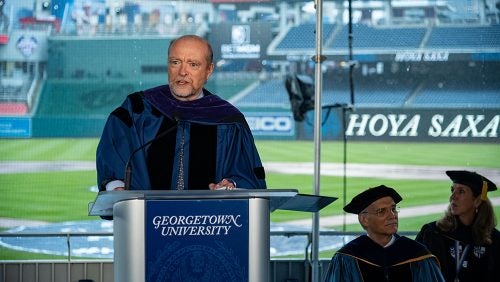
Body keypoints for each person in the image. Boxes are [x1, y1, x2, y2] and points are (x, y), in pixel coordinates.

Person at [96, 34, 266, 191]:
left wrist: (231, 184)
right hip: (147, 218)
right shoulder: (138, 108)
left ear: (209, 70)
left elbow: (246, 174)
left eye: (193, 64)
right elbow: (113, 156)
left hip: (207, 220)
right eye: (175, 62)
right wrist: (117, 186)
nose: (182, 72)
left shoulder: (227, 119)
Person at [323, 185, 444, 282]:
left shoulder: (417, 254)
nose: (392, 216)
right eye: (382, 211)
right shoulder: (347, 257)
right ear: (364, 220)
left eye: (393, 209)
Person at [416, 170, 499, 282]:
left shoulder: (494, 240)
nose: (453, 197)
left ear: (477, 201)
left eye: (461, 191)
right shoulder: (432, 233)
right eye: (452, 190)